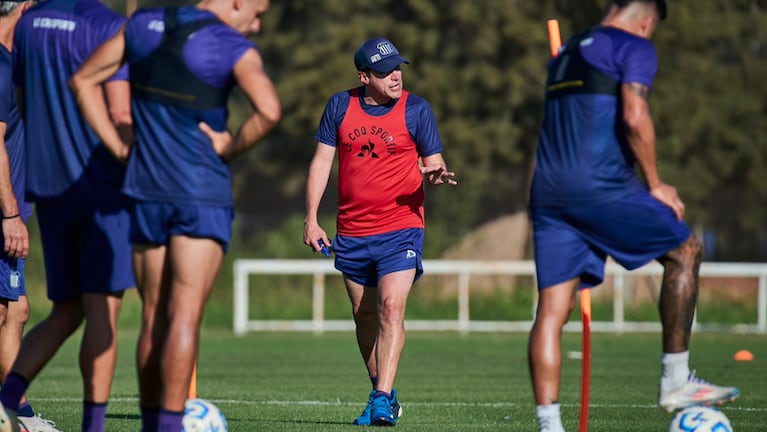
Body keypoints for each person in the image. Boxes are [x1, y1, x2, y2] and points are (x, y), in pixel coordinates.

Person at [527, 1, 740, 431]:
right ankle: (676, 381)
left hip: (548, 191)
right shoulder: (634, 46)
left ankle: (549, 427)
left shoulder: (567, 51)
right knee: (685, 249)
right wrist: (656, 183)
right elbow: (634, 116)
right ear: (646, 21)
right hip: (600, 185)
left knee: (552, 310)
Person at [70, 0, 281, 430]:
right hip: (201, 197)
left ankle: (153, 426)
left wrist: (118, 146)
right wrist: (231, 147)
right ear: (237, 2)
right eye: (256, 13)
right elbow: (270, 111)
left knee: (153, 317)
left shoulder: (143, 23)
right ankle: (170, 424)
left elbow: (83, 80)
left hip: (146, 191)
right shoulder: (229, 44)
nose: (256, 26)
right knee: (184, 316)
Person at [303, 37, 457, 427]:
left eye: (398, 68)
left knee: (391, 308)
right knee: (363, 314)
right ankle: (380, 390)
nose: (395, 76)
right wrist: (311, 218)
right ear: (363, 76)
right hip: (352, 232)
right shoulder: (340, 106)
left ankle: (383, 399)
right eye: (385, 71)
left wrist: (435, 175)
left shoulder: (416, 109)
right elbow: (322, 163)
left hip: (401, 228)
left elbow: (434, 162)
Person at [0, 0, 135, 431]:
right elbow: (119, 113)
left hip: (49, 189)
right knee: (102, 313)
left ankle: (4, 404)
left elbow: (22, 101)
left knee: (65, 310)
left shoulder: (29, 26)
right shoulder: (108, 25)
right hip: (98, 187)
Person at [0, 2, 62, 431]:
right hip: (3, 212)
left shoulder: (13, 63)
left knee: (10, 311)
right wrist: (10, 214)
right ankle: (15, 413)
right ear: (23, 9)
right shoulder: (3, 65)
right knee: (16, 311)